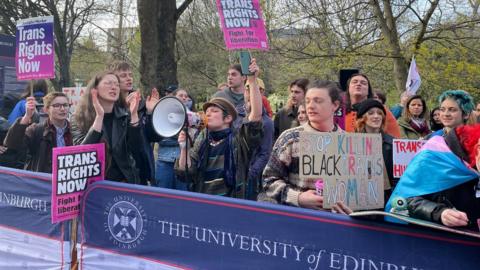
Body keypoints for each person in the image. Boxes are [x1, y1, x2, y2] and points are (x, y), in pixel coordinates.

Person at [175, 59, 263, 198]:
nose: (208, 114)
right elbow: (185, 174)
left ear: (228, 119)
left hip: (231, 203)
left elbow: (256, 117)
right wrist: (184, 149)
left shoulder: (238, 139)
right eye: (207, 111)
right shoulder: (203, 138)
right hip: (204, 202)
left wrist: (252, 81)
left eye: (214, 111)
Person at [260, 80, 348, 213]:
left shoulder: (351, 143)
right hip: (298, 220)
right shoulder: (290, 138)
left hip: (341, 222)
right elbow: (269, 180)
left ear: (335, 105)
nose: (310, 106)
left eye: (318, 101)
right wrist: (298, 198)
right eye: (307, 101)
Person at [386, 124, 480, 231]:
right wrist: (440, 213)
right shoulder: (431, 157)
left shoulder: (473, 167)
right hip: (435, 237)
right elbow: (403, 200)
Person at [71, 71, 145, 184]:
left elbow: (137, 149)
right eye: (108, 83)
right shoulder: (79, 118)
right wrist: (99, 117)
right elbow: (82, 154)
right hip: (94, 185)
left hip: (125, 182)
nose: (114, 87)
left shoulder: (125, 115)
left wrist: (134, 115)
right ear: (95, 89)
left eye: (116, 84)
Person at [108, 60, 157, 185]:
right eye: (123, 76)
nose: (129, 79)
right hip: (120, 173)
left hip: (142, 168)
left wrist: (151, 113)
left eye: (130, 75)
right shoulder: (109, 106)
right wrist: (129, 114)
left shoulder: (141, 103)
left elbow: (153, 137)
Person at [3, 92, 72, 173]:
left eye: (65, 105)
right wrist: (27, 116)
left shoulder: (74, 130)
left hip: (67, 180)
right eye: (57, 105)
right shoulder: (36, 130)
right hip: (43, 181)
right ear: (46, 109)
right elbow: (12, 144)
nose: (62, 109)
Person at [354, 99, 396, 201]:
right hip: (360, 197)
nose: (376, 116)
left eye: (379, 113)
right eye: (371, 113)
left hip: (387, 198)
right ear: (362, 118)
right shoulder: (351, 143)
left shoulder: (392, 143)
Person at [154, 88, 192, 190]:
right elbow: (159, 137)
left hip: (182, 163)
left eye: (186, 96)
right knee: (163, 194)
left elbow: (193, 139)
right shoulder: (163, 113)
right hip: (164, 161)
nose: (184, 97)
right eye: (181, 95)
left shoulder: (192, 116)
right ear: (173, 97)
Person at [344, 74, 401, 138]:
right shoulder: (339, 111)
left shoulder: (381, 110)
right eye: (355, 82)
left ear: (368, 90)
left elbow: (395, 138)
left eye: (363, 83)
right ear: (348, 88)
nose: (358, 84)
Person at [213, 64, 247, 129]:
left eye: (234, 75)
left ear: (243, 77)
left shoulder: (252, 98)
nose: (229, 77)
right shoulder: (219, 97)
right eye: (228, 74)